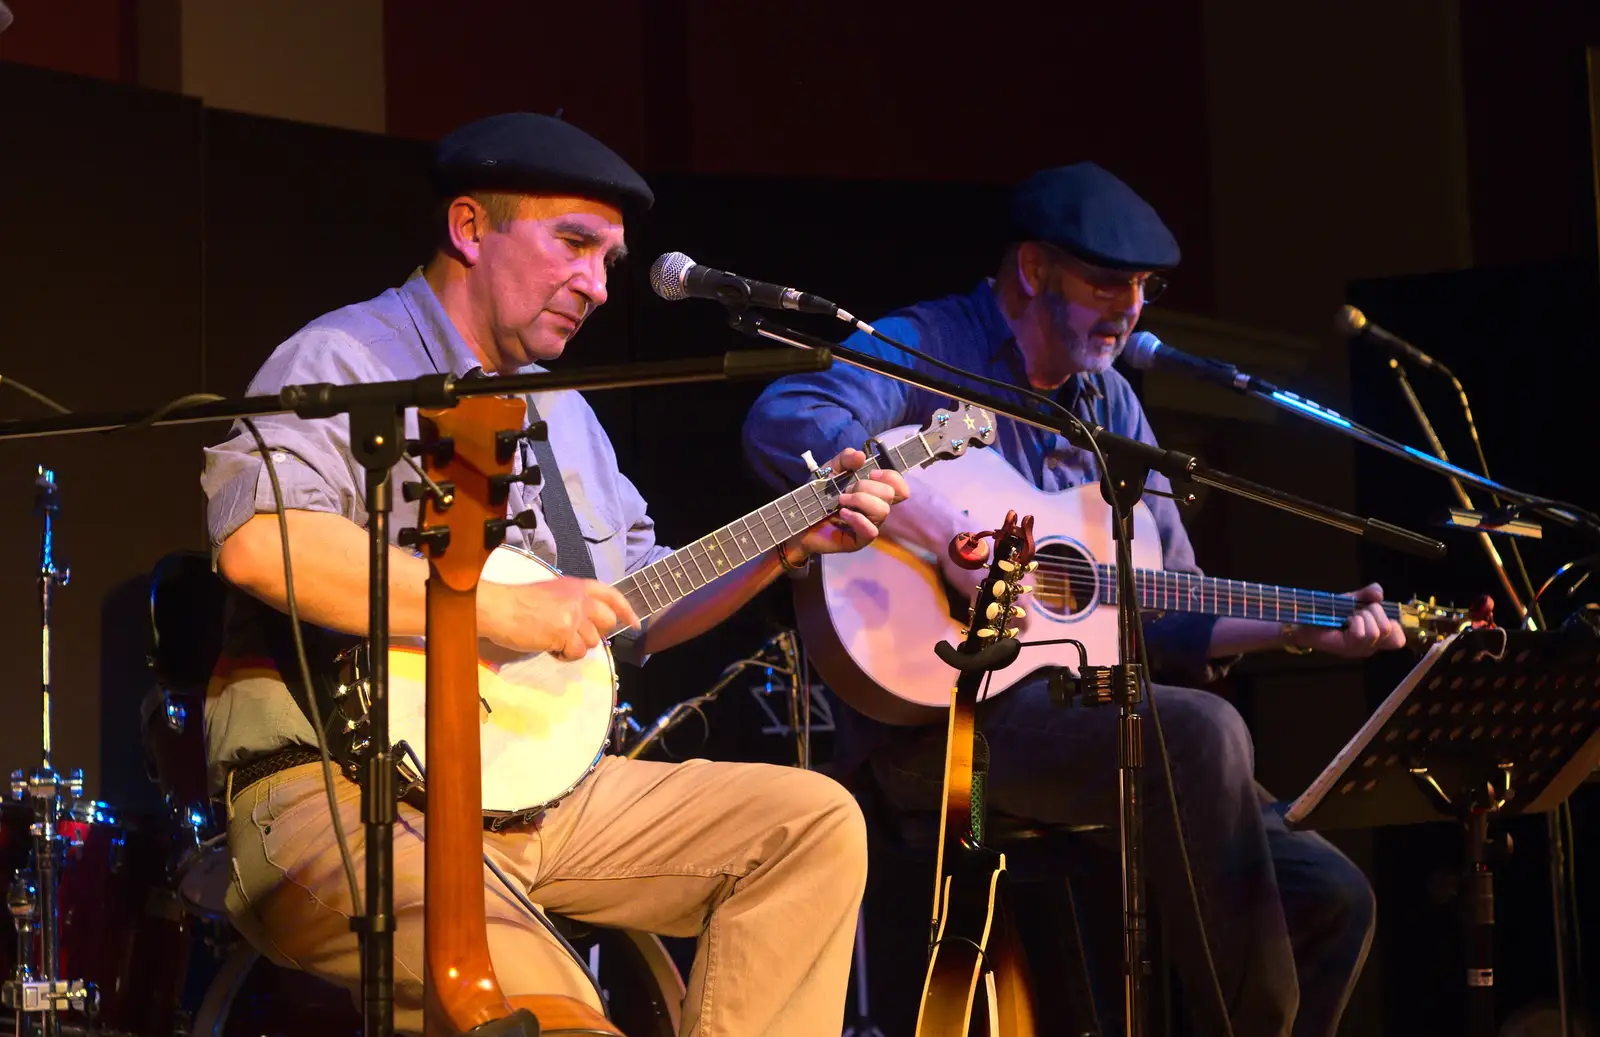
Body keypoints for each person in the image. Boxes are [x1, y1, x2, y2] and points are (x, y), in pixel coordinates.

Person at [200, 112, 910, 1037]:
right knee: (551, 1020)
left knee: (809, 823)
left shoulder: (570, 413)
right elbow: (258, 542)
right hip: (344, 787)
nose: (597, 285)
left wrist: (785, 544)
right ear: (469, 228)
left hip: (547, 795)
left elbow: (632, 606)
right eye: (574, 244)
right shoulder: (345, 359)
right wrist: (501, 609)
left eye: (611, 262)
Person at [742, 163, 1406, 1037]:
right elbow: (786, 419)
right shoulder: (923, 346)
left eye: (1143, 286)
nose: (1130, 306)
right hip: (938, 727)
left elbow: (1169, 600)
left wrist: (1308, 627)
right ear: (1032, 269)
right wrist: (952, 535)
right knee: (1202, 733)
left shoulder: (1114, 404)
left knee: (1334, 896)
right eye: (1105, 281)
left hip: (1074, 713)